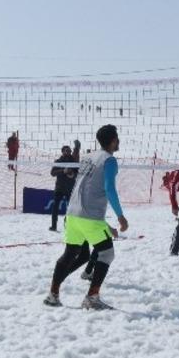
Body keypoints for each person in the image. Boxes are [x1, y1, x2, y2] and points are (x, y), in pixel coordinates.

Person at [44, 124, 128, 310]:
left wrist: (106, 226)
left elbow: (86, 191)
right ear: (113, 140)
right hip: (90, 217)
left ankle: (53, 295)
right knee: (107, 253)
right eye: (117, 137)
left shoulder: (88, 157)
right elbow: (109, 189)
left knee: (74, 255)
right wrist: (120, 216)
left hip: (73, 214)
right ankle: (92, 297)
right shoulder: (109, 160)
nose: (118, 141)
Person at [48, 143, 79, 232]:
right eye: (66, 150)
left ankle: (68, 224)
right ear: (62, 152)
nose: (68, 152)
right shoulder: (58, 162)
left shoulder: (73, 162)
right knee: (55, 207)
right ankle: (54, 226)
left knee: (71, 209)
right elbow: (52, 173)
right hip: (60, 188)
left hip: (70, 188)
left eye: (69, 151)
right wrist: (63, 171)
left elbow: (79, 172)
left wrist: (73, 174)